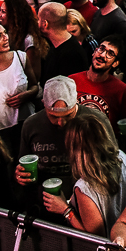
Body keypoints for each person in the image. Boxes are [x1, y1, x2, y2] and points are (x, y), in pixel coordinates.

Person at [15, 76, 117, 205]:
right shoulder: (31, 125)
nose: (61, 122)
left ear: (76, 103)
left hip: (87, 201)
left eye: (68, 116)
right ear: (43, 104)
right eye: (53, 116)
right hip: (43, 201)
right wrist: (20, 174)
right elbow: (23, 161)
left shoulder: (95, 121)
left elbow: (114, 161)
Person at [41, 110, 126, 236]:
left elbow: (94, 237)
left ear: (74, 148)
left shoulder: (85, 188)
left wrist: (65, 210)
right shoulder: (122, 157)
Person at [70, 36, 126, 125]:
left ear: (115, 63)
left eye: (110, 54)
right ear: (94, 52)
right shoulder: (72, 81)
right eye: (101, 49)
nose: (102, 55)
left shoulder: (121, 90)